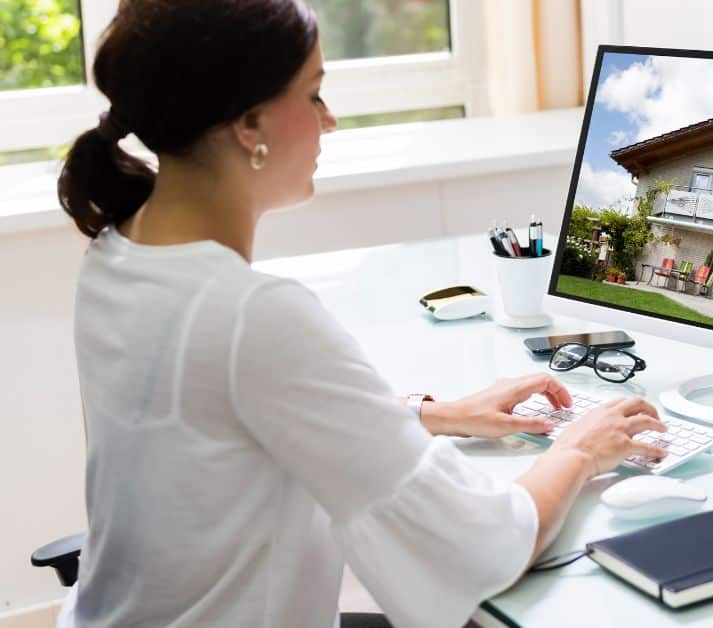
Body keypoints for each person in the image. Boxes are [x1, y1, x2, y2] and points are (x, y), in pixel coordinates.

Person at [54, 1, 668, 627]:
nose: (331, 120)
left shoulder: (117, 252)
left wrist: (433, 415)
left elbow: (223, 424)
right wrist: (582, 450)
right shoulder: (252, 318)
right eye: (315, 95)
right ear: (249, 124)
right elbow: (477, 546)